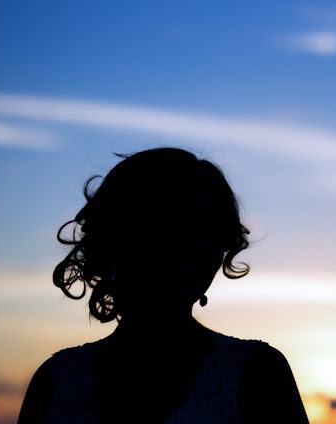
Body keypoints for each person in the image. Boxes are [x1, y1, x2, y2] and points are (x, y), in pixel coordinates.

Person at [17, 147, 309, 423]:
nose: (198, 246)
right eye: (177, 224)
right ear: (122, 236)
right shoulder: (56, 382)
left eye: (213, 230)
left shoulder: (258, 376)